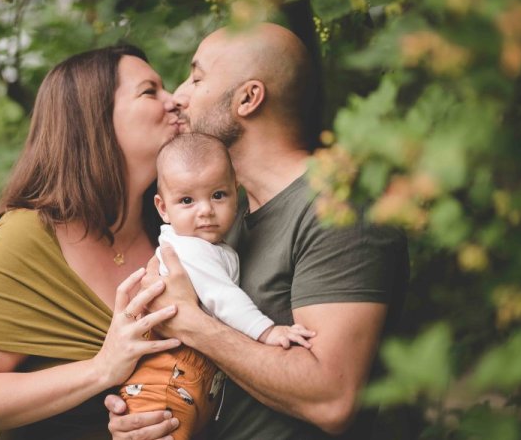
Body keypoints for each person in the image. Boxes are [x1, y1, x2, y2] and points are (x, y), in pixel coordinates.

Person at [106, 23, 409, 440]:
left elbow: (332, 399)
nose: (179, 96)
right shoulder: (226, 220)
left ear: (248, 98)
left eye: (197, 78)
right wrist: (150, 408)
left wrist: (190, 323)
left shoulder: (338, 208)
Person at [0, 44, 187, 440]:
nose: (177, 100)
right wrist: (102, 368)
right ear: (95, 119)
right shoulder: (27, 236)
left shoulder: (173, 234)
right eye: (150, 91)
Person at [119, 133, 316, 440]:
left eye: (218, 195)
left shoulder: (213, 246)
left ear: (235, 192)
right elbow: (223, 299)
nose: (205, 210)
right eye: (187, 200)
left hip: (187, 376)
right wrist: (268, 331)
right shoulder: (188, 249)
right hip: (167, 377)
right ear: (163, 208)